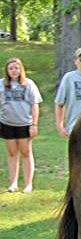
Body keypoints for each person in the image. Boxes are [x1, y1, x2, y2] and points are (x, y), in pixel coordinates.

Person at [0, 57, 42, 193]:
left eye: (16, 68)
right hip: (7, 123)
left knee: (25, 152)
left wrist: (34, 125)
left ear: (21, 69)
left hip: (24, 123)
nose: (14, 71)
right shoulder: (2, 84)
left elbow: (35, 105)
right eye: (11, 68)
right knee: (12, 153)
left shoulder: (28, 84)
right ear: (7, 70)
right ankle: (13, 183)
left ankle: (28, 184)